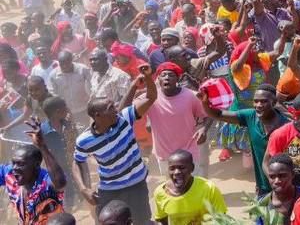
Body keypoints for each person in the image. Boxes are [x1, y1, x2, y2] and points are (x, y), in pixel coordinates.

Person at [74, 64, 156, 224]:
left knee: (142, 221)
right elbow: (77, 162)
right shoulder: (84, 140)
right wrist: (84, 189)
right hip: (110, 189)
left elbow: (151, 97)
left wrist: (147, 78)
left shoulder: (124, 118)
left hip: (136, 184)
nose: (115, 110)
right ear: (98, 116)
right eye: (110, 108)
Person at [199, 83, 288, 195]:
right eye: (256, 101)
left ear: (274, 102)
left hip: (284, 187)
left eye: (263, 101)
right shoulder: (251, 116)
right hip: (262, 187)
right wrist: (205, 103)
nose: (258, 105)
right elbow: (219, 114)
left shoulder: (286, 125)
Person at [141, 62, 208, 174]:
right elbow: (130, 111)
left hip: (188, 151)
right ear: (158, 79)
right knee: (172, 188)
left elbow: (210, 113)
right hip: (164, 154)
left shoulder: (191, 96)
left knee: (193, 185)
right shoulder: (150, 98)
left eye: (171, 75)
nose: (167, 78)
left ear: (178, 78)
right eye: (163, 75)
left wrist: (203, 128)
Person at [0, 117, 69, 224]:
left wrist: (42, 146)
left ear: (36, 165)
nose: (14, 168)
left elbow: (60, 183)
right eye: (13, 163)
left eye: (21, 164)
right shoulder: (9, 173)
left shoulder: (46, 181)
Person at [151, 149, 227, 225]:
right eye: (172, 168)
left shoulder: (209, 189)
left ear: (192, 168)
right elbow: (161, 219)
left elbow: (222, 219)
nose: (176, 172)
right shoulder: (160, 193)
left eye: (182, 167)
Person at [252, 154, 300, 225]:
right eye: (272, 177)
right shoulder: (262, 205)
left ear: (292, 174)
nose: (277, 181)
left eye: (282, 176)